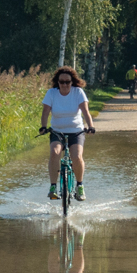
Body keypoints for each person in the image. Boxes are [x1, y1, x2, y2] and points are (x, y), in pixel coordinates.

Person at [39, 66, 95, 200]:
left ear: (72, 82)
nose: (64, 85)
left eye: (67, 82)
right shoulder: (51, 93)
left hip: (76, 131)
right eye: (61, 82)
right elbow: (45, 112)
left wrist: (91, 126)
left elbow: (86, 112)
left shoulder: (78, 92)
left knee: (76, 156)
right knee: (55, 153)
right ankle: (53, 187)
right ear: (57, 82)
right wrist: (43, 126)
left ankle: (80, 186)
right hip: (57, 131)